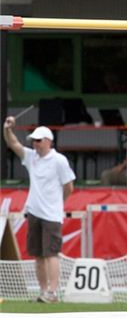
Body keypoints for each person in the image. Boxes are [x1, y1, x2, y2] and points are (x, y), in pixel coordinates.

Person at [3, 119, 76, 303]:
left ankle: (52, 292)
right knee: (37, 254)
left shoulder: (59, 160)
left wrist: (58, 204)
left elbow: (69, 187)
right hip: (34, 212)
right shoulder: (31, 157)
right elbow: (13, 143)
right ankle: (43, 291)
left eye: (38, 140)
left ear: (48, 141)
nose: (34, 144)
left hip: (51, 214)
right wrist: (7, 129)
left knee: (51, 254)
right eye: (33, 140)